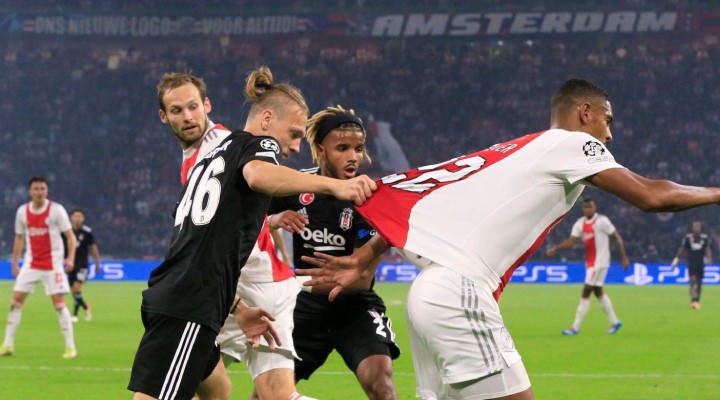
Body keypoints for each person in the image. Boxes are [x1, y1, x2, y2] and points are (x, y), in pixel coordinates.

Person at [297, 79, 720, 400]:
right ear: (585, 112)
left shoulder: (518, 151)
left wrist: (366, 255)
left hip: (431, 292)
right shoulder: (574, 144)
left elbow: (433, 198)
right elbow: (652, 195)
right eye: (606, 121)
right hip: (458, 291)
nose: (609, 135)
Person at [128, 66, 375, 400]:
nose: (296, 147)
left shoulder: (215, 153)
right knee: (233, 392)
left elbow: (213, 227)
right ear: (267, 119)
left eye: (193, 106)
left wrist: (239, 306)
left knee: (216, 391)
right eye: (294, 134)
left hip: (194, 296)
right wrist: (334, 186)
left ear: (206, 105)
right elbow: (257, 177)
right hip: (197, 300)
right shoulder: (253, 145)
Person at [156, 70, 313, 400]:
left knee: (173, 385)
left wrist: (334, 187)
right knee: (252, 393)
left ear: (207, 105)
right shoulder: (195, 155)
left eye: (193, 107)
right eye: (177, 110)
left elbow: (260, 176)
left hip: (245, 285)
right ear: (164, 116)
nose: (188, 117)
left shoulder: (221, 145)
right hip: (242, 287)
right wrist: (269, 220)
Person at [268, 105, 400, 399]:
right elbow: (249, 219)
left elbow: (361, 279)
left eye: (358, 148)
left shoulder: (369, 199)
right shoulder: (297, 186)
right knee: (266, 394)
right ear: (320, 150)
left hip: (355, 308)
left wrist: (292, 282)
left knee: (381, 384)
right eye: (342, 148)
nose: (353, 156)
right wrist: (273, 219)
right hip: (305, 310)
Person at [0, 176, 78, 359]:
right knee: (15, 302)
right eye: (36, 189)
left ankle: (70, 347)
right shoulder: (22, 212)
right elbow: (19, 238)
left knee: (59, 304)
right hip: (31, 264)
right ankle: (7, 345)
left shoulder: (56, 210)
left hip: (53, 265)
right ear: (30, 191)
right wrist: (15, 263)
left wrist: (70, 258)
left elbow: (70, 236)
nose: (39, 192)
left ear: (47, 191)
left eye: (43, 188)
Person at [545, 197, 630, 335]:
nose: (588, 209)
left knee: (586, 291)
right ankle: (615, 321)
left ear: (595, 207)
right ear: (583, 208)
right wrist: (556, 248)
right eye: (585, 207)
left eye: (590, 206)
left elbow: (616, 237)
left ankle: (575, 327)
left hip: (599, 263)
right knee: (598, 291)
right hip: (591, 263)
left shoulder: (602, 221)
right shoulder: (580, 223)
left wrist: (624, 257)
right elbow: (571, 241)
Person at [66, 208, 101, 323]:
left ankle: (74, 315)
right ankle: (86, 307)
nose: (77, 219)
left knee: (77, 289)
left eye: (80, 216)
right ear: (71, 217)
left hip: (82, 265)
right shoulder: (66, 231)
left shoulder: (87, 232)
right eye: (75, 216)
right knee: (74, 292)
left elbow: (93, 247)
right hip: (70, 263)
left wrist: (97, 262)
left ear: (83, 218)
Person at [671, 221, 712, 309]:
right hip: (691, 263)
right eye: (695, 227)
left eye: (698, 227)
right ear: (692, 228)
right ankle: (693, 300)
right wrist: (675, 261)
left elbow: (707, 249)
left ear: (700, 229)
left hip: (700, 263)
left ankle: (697, 300)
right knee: (692, 280)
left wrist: (709, 259)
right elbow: (682, 250)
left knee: (699, 283)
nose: (697, 229)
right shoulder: (688, 238)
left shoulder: (705, 238)